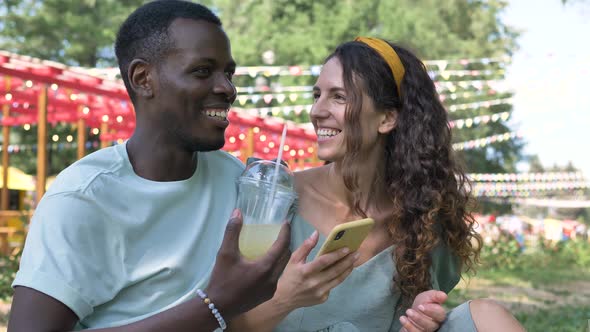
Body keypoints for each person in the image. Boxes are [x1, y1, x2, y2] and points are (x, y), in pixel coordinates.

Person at [7, 1, 300, 331]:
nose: (227, 89)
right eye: (203, 71)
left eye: (228, 73)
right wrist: (215, 304)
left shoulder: (237, 181)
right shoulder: (85, 198)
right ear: (143, 79)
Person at [230, 38, 525, 331]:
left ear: (387, 119)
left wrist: (421, 315)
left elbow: (413, 314)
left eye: (339, 97)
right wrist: (286, 298)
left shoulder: (420, 216)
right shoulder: (275, 200)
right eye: (317, 94)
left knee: (488, 314)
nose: (317, 111)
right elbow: (225, 323)